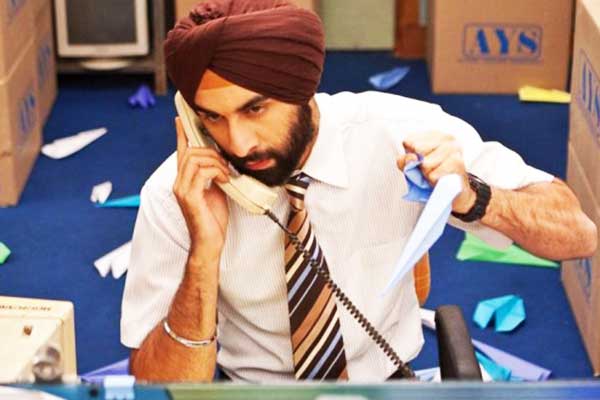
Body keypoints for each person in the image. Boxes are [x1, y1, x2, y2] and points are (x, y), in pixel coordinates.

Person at [120, 0, 598, 383]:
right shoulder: (177, 193)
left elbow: (578, 235)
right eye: (213, 118)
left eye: (255, 109)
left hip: (386, 383)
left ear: (302, 88)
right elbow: (156, 382)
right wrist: (202, 255)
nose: (239, 144)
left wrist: (475, 198)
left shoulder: (397, 130)